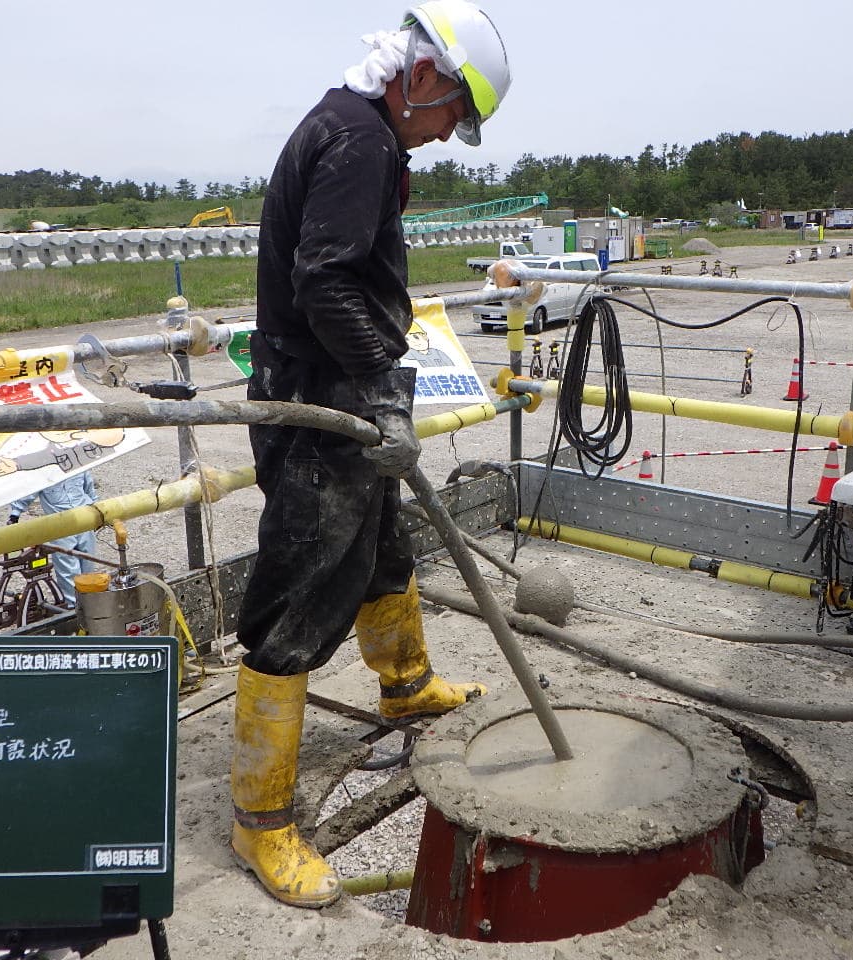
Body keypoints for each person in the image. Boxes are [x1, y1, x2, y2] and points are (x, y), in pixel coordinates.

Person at [231, 1, 511, 910]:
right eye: (450, 118)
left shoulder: (357, 128)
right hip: (320, 403)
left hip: (341, 386)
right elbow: (324, 277)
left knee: (384, 544)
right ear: (421, 78)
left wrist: (380, 382)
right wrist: (385, 387)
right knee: (301, 593)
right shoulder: (361, 139)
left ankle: (405, 686)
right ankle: (261, 818)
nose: (443, 137)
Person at [6, 470, 98, 607]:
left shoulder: (78, 466)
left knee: (88, 560)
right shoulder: (42, 472)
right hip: (60, 524)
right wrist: (15, 514)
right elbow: (29, 491)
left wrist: (99, 509)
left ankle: (90, 600)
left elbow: (89, 487)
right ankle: (73, 606)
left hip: (84, 517)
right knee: (67, 565)